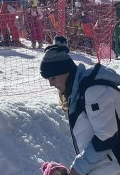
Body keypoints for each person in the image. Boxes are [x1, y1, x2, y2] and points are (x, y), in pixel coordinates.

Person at [40, 36, 120, 175]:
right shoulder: (77, 93)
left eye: (52, 78)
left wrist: (78, 168)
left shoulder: (93, 91)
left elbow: (106, 136)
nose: (51, 84)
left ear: (65, 72)